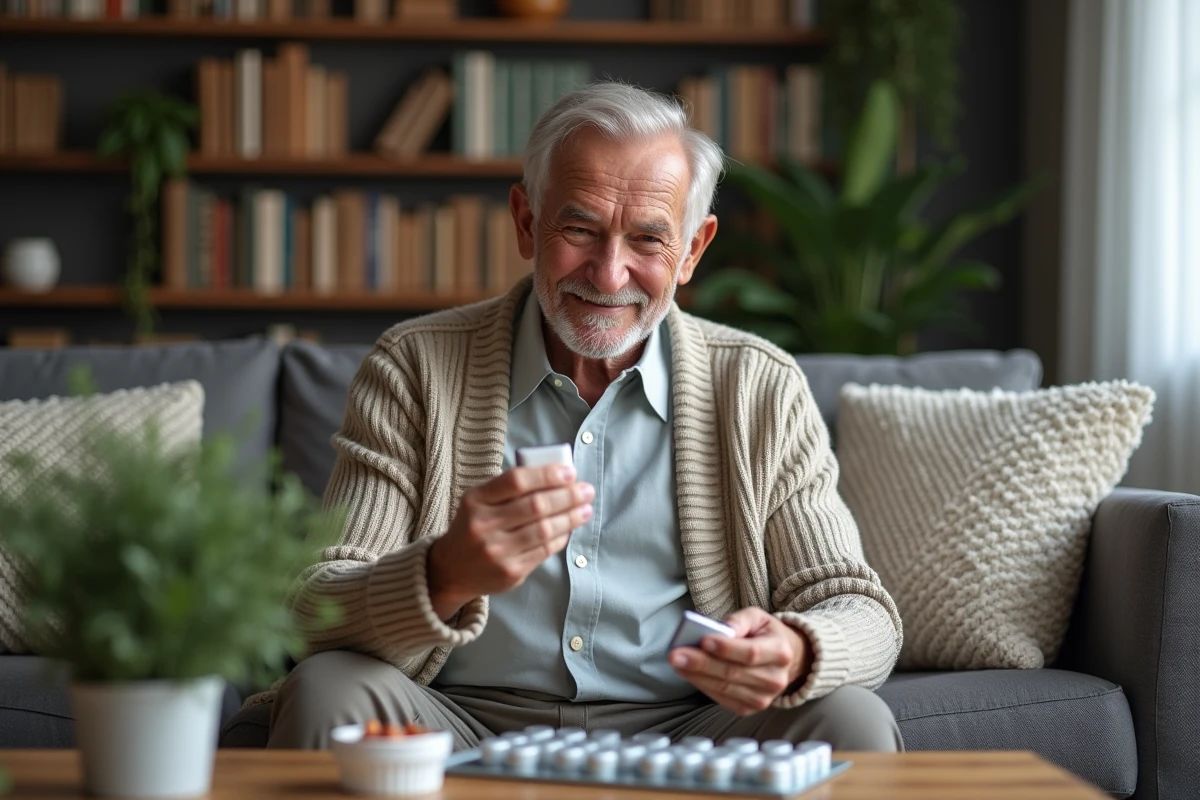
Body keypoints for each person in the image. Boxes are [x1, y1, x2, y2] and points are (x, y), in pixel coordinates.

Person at [266, 81, 904, 752]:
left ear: (692, 251)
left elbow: (859, 608)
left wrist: (798, 649)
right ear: (526, 221)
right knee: (327, 690)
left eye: (649, 240)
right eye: (579, 229)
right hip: (456, 720)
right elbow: (314, 606)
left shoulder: (759, 388)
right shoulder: (413, 368)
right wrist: (444, 572)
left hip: (689, 727)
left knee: (849, 720)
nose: (607, 274)